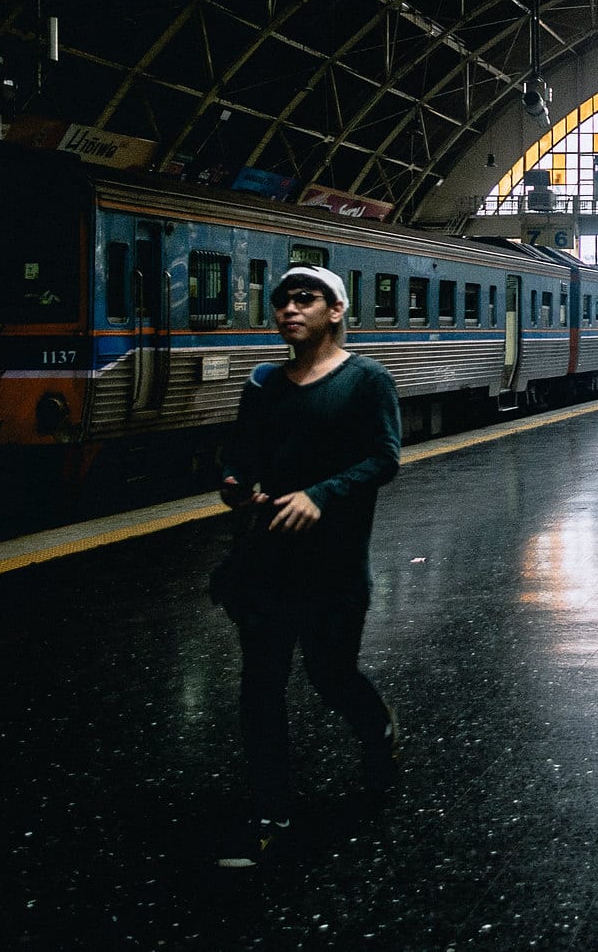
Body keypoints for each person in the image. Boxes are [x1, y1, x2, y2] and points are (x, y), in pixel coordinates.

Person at [215, 265, 402, 868]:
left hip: (335, 564)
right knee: (260, 688)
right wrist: (237, 486)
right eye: (281, 302)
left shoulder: (366, 381)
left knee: (330, 675)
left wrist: (320, 495)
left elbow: (384, 459)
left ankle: (377, 730)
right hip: (268, 560)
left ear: (336, 311)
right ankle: (271, 813)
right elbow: (241, 459)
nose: (289, 310)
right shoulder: (264, 384)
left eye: (305, 299)